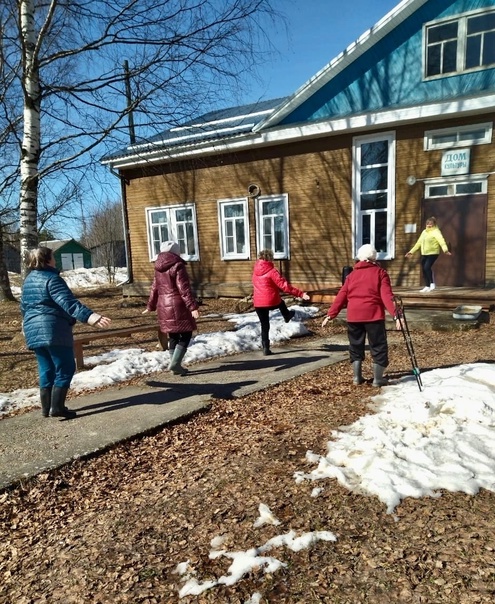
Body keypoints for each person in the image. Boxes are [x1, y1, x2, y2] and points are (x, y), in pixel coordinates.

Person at [21, 246, 112, 418]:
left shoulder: (28, 280)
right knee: (66, 367)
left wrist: (25, 326)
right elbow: (68, 303)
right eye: (53, 257)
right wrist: (91, 317)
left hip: (33, 330)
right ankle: (57, 408)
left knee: (46, 369)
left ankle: (46, 408)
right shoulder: (52, 279)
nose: (55, 260)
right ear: (48, 260)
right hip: (53, 329)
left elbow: (24, 307)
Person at [322, 244, 401, 387]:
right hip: (373, 316)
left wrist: (330, 315)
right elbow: (387, 296)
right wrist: (396, 315)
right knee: (378, 346)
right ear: (373, 257)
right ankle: (378, 379)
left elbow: (342, 295)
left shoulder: (351, 275)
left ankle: (357, 378)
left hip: (354, 316)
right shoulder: (380, 273)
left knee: (355, 345)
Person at [145, 241, 199, 376]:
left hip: (163, 305)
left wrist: (151, 306)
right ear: (175, 252)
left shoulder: (157, 267)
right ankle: (175, 363)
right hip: (178, 304)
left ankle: (175, 365)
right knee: (186, 333)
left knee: (173, 335)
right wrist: (192, 307)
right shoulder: (178, 265)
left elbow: (154, 288)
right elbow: (184, 288)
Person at [252, 249, 310, 356]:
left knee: (264, 325)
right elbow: (285, 287)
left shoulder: (255, 271)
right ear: (270, 258)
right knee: (281, 302)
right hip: (270, 301)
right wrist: (301, 294)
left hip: (258, 303)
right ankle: (287, 315)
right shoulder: (272, 271)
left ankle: (266, 348)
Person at [405, 216, 452, 292]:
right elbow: (418, 243)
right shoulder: (424, 232)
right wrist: (411, 252)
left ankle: (432, 283)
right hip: (425, 253)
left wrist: (445, 250)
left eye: (431, 224)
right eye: (427, 224)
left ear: (434, 224)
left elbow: (441, 241)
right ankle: (427, 285)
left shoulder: (436, 232)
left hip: (433, 253)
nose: (429, 225)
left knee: (427, 267)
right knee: (424, 268)